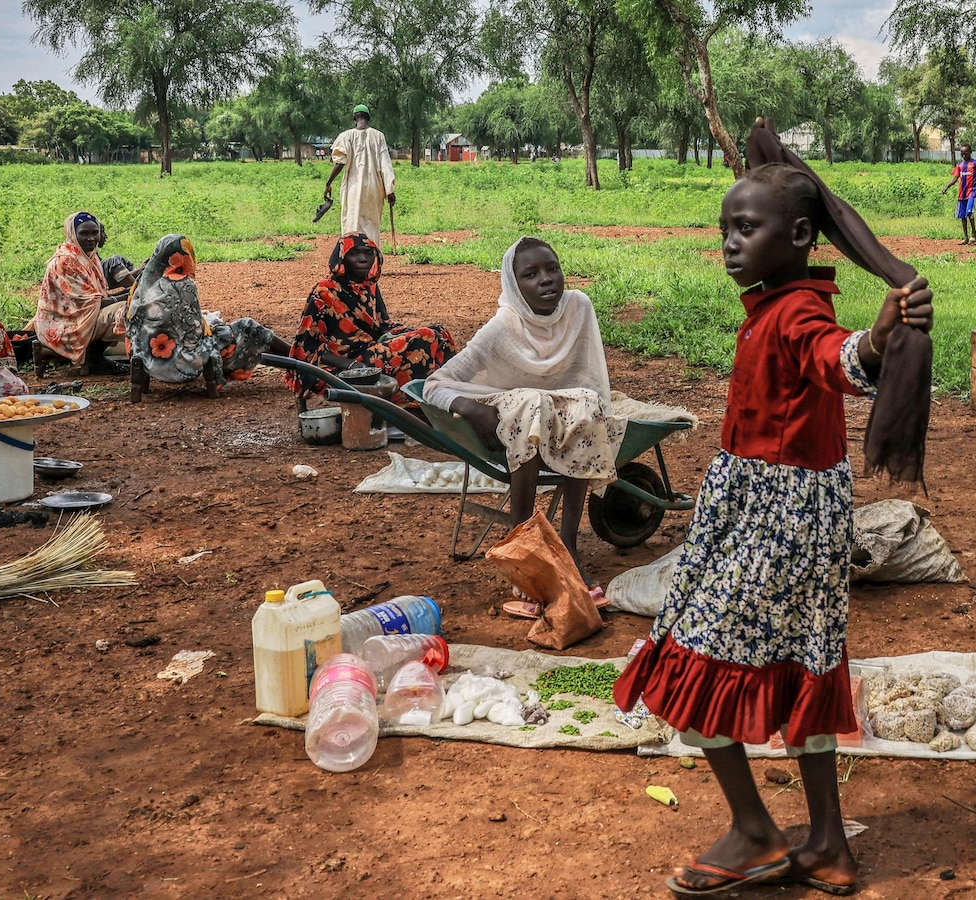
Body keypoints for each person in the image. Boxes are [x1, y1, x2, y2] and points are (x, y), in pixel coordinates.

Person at [612, 163, 933, 897]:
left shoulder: (794, 314)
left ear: (795, 236)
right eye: (725, 229)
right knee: (802, 662)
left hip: (773, 520)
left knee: (694, 653)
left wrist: (875, 342)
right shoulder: (779, 301)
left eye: (745, 229)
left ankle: (757, 834)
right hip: (789, 513)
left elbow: (837, 360)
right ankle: (825, 843)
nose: (729, 244)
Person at [422, 237, 625, 581]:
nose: (546, 279)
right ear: (514, 286)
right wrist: (470, 409)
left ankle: (568, 542)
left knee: (587, 405)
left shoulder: (579, 307)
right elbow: (433, 385)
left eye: (553, 269)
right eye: (531, 274)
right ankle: (523, 540)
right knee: (535, 403)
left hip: (569, 418)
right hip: (518, 414)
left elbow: (590, 379)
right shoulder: (502, 327)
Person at [284, 232, 456, 399]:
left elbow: (382, 325)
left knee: (439, 333)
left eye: (368, 253)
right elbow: (308, 347)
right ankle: (413, 398)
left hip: (371, 351)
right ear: (342, 258)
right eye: (355, 254)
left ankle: (447, 392)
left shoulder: (369, 286)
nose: (363, 259)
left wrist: (405, 334)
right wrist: (351, 364)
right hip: (342, 364)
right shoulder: (325, 292)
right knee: (425, 337)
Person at [124, 235, 288, 401]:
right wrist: (212, 325)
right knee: (247, 327)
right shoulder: (184, 285)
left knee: (221, 329)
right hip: (183, 362)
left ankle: (294, 356)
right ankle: (296, 354)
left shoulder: (140, 285)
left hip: (148, 358)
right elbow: (194, 336)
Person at [34, 212, 134, 371]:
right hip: (63, 326)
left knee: (127, 304)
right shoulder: (67, 260)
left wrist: (130, 293)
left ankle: (96, 357)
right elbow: (92, 303)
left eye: (95, 233)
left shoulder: (87, 256)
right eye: (84, 233)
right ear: (72, 234)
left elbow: (98, 297)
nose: (91, 238)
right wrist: (130, 294)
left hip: (79, 317)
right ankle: (95, 358)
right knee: (127, 310)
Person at [324, 105, 397, 245]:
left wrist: (328, 183)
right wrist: (390, 191)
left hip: (353, 187)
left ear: (355, 118)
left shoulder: (345, 136)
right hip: (374, 188)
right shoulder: (378, 136)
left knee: (353, 224)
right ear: (368, 118)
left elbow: (339, 163)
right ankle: (371, 260)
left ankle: (353, 258)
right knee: (372, 225)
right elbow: (385, 164)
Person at [941, 143, 976, 244]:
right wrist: (946, 187)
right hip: (962, 194)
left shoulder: (975, 163)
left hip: (972, 192)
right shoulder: (960, 165)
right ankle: (965, 237)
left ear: (970, 152)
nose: (964, 155)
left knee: (969, 212)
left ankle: (974, 233)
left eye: (966, 153)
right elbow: (955, 178)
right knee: (962, 216)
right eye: (962, 153)